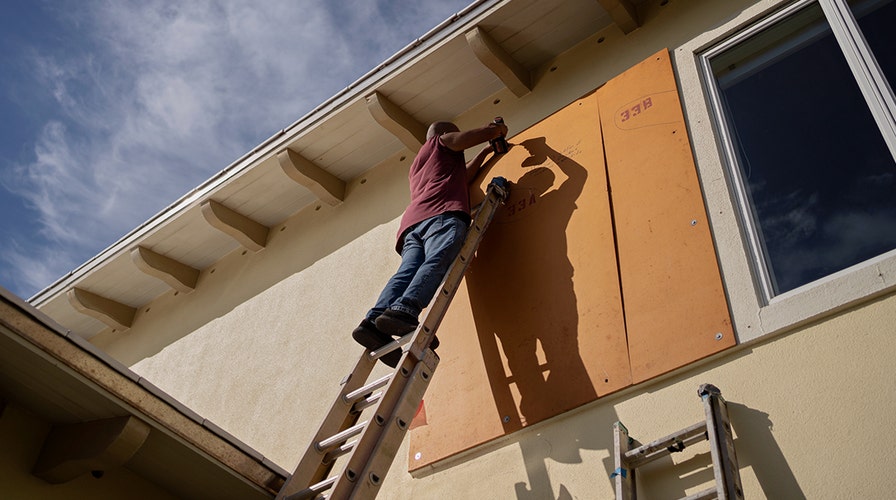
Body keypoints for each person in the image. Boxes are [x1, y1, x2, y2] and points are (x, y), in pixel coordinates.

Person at [353, 119, 509, 367]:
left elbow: (463, 177)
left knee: (407, 271)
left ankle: (373, 323)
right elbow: (465, 139)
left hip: (413, 225)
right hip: (441, 216)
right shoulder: (441, 141)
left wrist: (486, 151)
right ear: (445, 134)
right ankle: (405, 309)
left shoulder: (418, 166)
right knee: (437, 259)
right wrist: (496, 130)